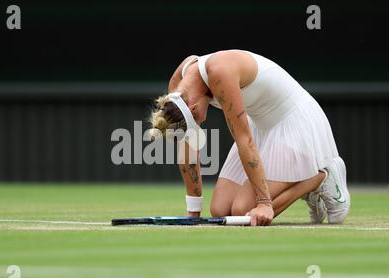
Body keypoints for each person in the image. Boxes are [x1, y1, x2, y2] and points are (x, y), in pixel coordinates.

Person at [149, 49, 350, 226]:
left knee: (241, 211)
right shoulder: (177, 89)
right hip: (260, 126)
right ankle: (300, 182)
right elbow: (188, 151)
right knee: (219, 210)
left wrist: (264, 204)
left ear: (192, 109)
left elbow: (244, 140)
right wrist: (193, 211)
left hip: (294, 122)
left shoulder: (220, 72)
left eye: (196, 122)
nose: (199, 124)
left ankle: (318, 177)